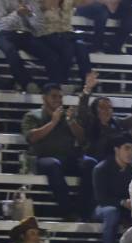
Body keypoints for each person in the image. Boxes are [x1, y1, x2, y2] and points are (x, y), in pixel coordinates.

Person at [21, 83, 91, 220]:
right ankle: (68, 212)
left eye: (60, 97)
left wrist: (72, 122)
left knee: (90, 163)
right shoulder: (32, 116)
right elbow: (32, 137)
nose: (58, 100)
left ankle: (83, 210)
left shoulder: (67, 116)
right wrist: (53, 122)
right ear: (44, 98)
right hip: (42, 160)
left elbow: (82, 139)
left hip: (67, 159)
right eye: (54, 96)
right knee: (53, 164)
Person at [92, 133, 132, 243]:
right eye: (127, 148)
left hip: (126, 208)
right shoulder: (101, 168)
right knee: (111, 212)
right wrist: (122, 202)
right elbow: (101, 198)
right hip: (103, 207)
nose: (130, 152)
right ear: (117, 150)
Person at [0, 0, 57, 93]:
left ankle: (54, 86)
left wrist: (30, 15)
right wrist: (17, 14)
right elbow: (1, 24)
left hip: (27, 35)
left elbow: (39, 26)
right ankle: (27, 83)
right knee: (11, 51)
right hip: (7, 34)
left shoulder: (32, 1)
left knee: (49, 54)